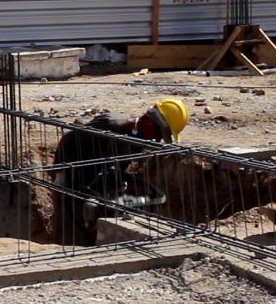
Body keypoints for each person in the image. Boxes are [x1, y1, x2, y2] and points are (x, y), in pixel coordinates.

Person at [51, 97, 189, 245]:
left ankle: (93, 245)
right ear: (149, 122)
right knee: (76, 218)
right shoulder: (111, 124)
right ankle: (72, 247)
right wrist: (60, 173)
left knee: (99, 214)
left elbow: (119, 164)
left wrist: (118, 179)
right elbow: (69, 139)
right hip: (74, 175)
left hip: (97, 181)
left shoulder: (137, 143)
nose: (157, 140)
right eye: (160, 134)